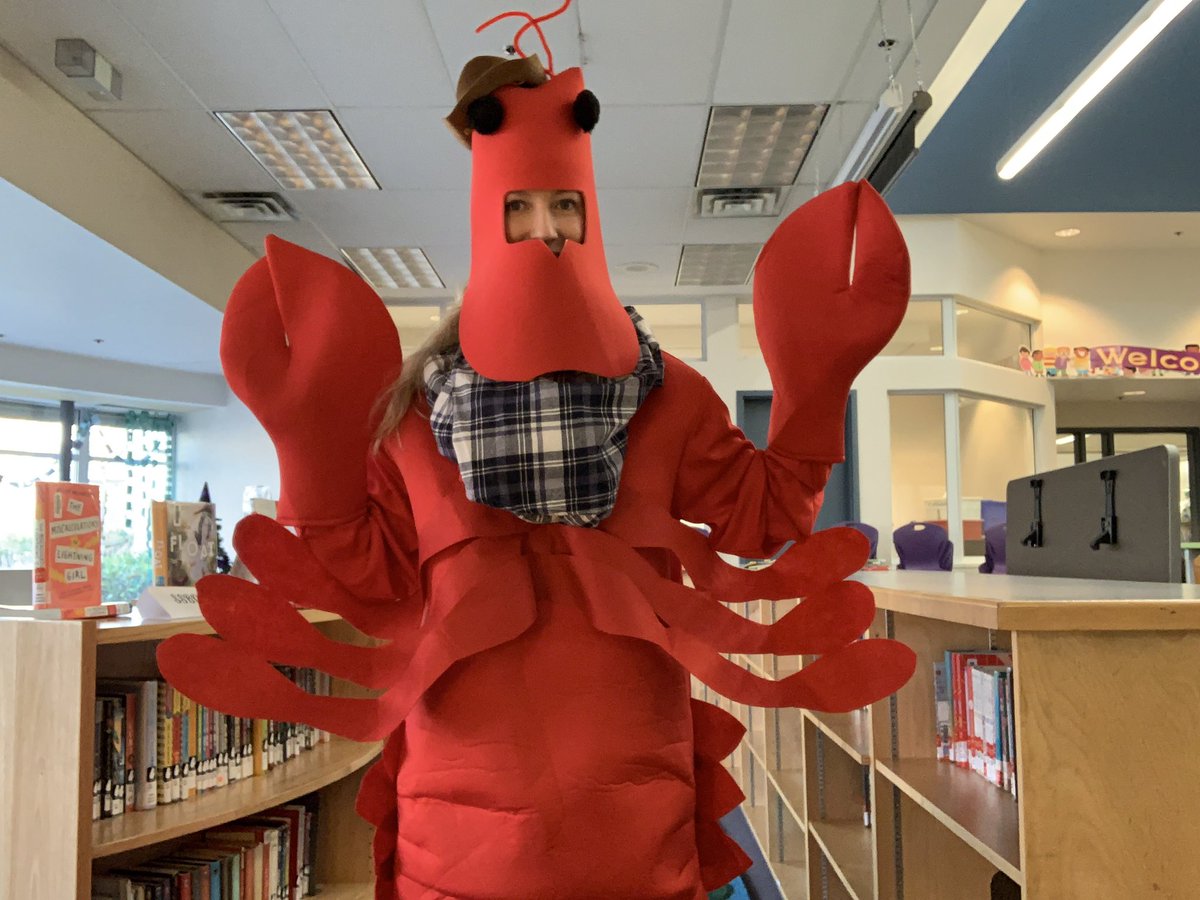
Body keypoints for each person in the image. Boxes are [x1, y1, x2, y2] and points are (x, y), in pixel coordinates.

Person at [160, 49, 916, 900]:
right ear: (490, 222)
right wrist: (310, 449)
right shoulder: (411, 410)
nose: (547, 230)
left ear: (592, 218)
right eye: (520, 209)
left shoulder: (670, 397)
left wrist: (816, 388)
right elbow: (366, 569)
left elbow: (764, 515)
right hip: (462, 807)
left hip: (634, 801)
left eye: (566, 206)